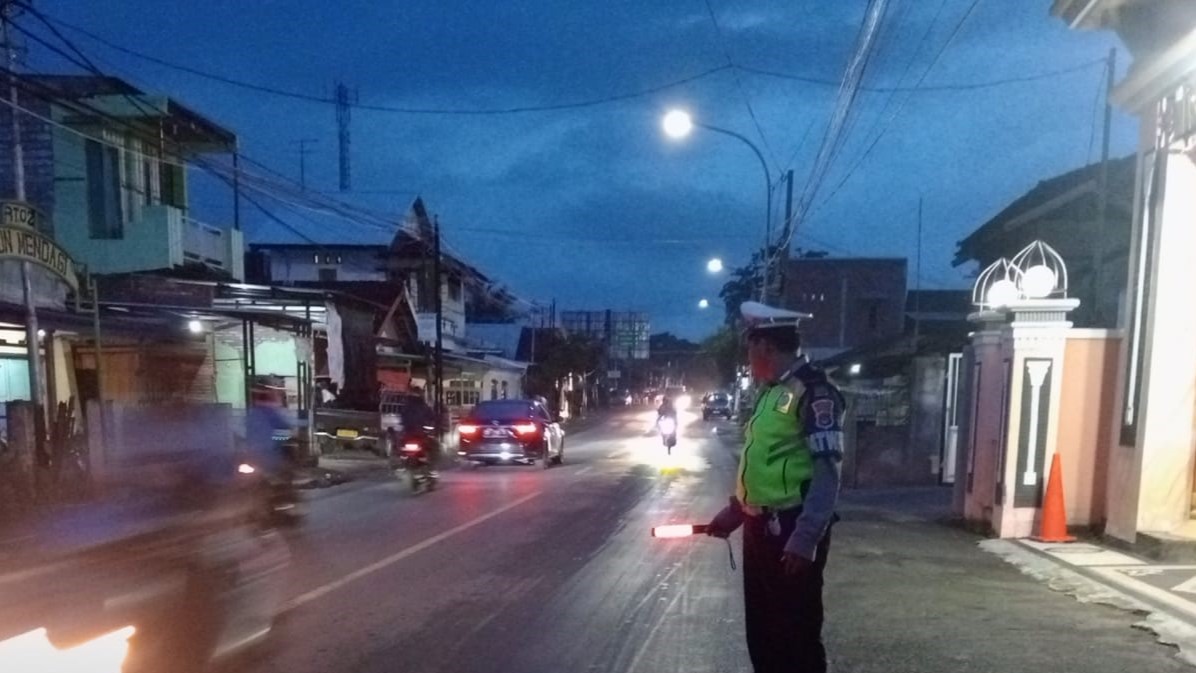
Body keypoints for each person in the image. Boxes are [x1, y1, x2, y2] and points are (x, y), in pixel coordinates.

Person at [705, 301, 846, 673]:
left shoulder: (815, 393)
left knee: (795, 637)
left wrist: (805, 537)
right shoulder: (769, 393)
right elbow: (764, 464)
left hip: (791, 530)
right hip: (759, 530)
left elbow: (827, 471)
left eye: (750, 346)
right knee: (764, 637)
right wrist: (736, 512)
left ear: (766, 347)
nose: (748, 356)